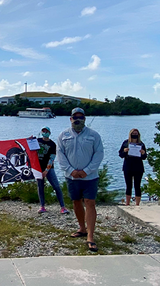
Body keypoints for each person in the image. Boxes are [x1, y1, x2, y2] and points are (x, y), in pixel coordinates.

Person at [56, 107, 104, 252]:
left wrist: (86, 171)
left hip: (90, 177)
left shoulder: (94, 135)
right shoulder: (63, 135)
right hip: (71, 177)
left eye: (80, 117)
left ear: (84, 119)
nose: (78, 120)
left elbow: (99, 154)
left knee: (90, 202)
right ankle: (82, 228)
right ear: (70, 119)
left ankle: (90, 236)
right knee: (76, 202)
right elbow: (60, 155)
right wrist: (71, 171)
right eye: (75, 117)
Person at [35, 126, 69, 214]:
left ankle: (63, 207)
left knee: (56, 186)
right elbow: (28, 147)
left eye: (46, 131)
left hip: (49, 168)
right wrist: (29, 139)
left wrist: (46, 170)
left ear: (49, 133)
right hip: (38, 168)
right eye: (43, 131)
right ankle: (42, 206)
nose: (45, 133)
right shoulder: (37, 141)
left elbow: (52, 158)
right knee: (40, 186)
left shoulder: (52, 144)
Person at [118, 128, 147, 206]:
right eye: (133, 133)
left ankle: (137, 204)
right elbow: (120, 154)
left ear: (138, 135)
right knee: (128, 185)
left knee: (137, 186)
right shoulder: (126, 143)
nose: (134, 135)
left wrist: (143, 153)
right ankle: (127, 203)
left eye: (136, 133)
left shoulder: (141, 144)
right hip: (128, 166)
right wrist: (124, 151)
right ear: (130, 134)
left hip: (138, 167)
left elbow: (144, 157)